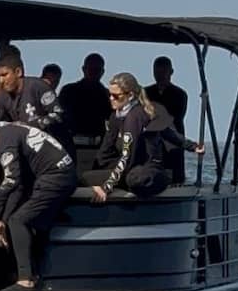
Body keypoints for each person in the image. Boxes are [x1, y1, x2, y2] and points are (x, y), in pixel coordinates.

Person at [0, 113, 77, 291]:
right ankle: (32, 273)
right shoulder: (7, 131)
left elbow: (11, 179)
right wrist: (3, 219)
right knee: (15, 220)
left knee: (18, 221)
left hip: (57, 177)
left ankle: (26, 282)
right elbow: (19, 186)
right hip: (52, 176)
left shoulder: (4, 142)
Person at [84, 73, 202, 201]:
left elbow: (127, 156)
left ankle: (162, 180)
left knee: (135, 179)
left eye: (116, 96)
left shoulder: (136, 116)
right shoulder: (116, 117)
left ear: (130, 96)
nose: (111, 99)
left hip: (147, 170)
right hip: (130, 168)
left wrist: (107, 187)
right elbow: (108, 150)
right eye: (110, 95)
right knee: (85, 178)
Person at [0, 54, 75, 157]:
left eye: (5, 75)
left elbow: (58, 115)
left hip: (55, 150)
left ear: (18, 72)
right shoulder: (2, 97)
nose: (1, 81)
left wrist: (31, 125)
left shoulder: (38, 87)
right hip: (27, 153)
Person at [145, 56, 189, 183]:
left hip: (172, 143)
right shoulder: (146, 93)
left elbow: (175, 117)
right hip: (151, 145)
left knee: (174, 179)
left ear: (171, 72)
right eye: (157, 72)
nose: (160, 76)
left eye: (163, 72)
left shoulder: (180, 94)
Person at [58, 53, 111, 142]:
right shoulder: (68, 91)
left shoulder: (107, 95)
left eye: (96, 70)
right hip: (71, 141)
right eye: (91, 69)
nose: (93, 73)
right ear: (84, 69)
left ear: (102, 72)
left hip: (97, 143)